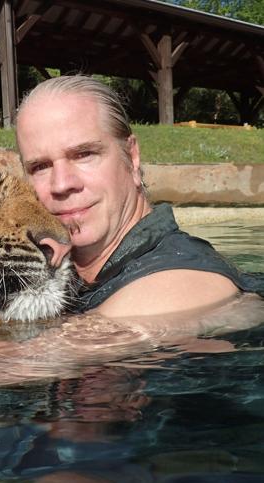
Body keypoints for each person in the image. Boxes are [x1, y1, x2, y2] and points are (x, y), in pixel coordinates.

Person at [15, 74, 263, 318]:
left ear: (132, 157)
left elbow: (31, 355)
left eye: (84, 154)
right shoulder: (69, 276)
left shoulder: (180, 282)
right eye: (40, 167)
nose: (61, 184)